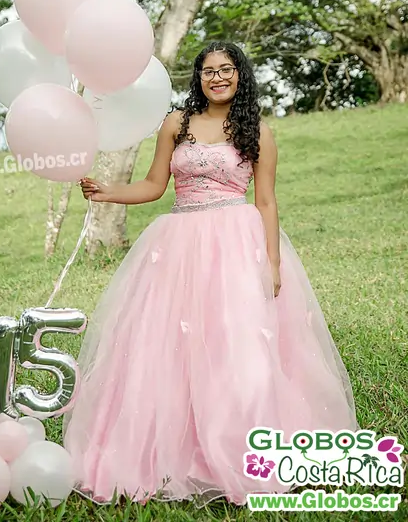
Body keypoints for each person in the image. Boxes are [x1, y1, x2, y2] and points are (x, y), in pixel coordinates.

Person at [63, 41, 357, 505]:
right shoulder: (175, 124)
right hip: (178, 244)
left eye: (226, 69)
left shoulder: (256, 131)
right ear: (197, 78)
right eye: (208, 71)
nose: (217, 77)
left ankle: (243, 451)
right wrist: (107, 192)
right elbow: (156, 185)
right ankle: (172, 451)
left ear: (240, 74)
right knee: (165, 348)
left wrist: (273, 262)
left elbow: (265, 201)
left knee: (237, 345)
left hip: (237, 244)